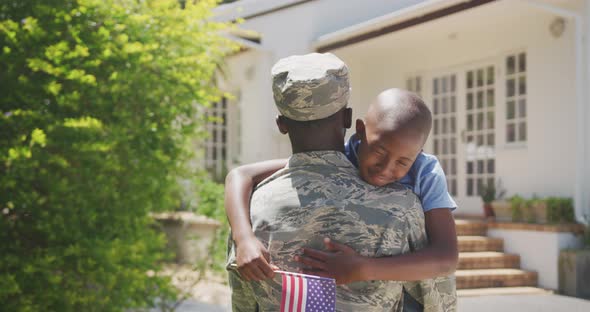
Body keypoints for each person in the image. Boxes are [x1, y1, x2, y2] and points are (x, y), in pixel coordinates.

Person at [226, 52, 455, 312]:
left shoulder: (251, 210)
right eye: (381, 153)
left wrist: (243, 237)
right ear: (350, 120)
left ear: (281, 125)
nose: (388, 168)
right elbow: (439, 299)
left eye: (403, 162)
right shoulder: (403, 209)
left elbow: (243, 302)